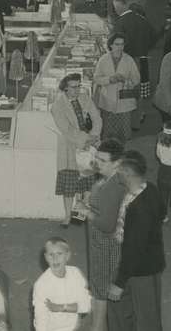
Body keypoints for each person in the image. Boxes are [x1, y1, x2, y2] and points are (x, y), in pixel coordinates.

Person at [107, 151, 166, 331]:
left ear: (127, 175)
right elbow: (163, 213)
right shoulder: (149, 188)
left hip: (139, 269)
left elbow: (134, 249)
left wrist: (119, 282)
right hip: (146, 263)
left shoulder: (139, 209)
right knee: (126, 310)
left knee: (146, 318)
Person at [74, 139, 126, 331]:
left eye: (103, 160)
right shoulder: (109, 178)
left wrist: (86, 211)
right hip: (100, 243)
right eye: (96, 158)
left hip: (106, 245)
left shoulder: (114, 186)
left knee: (100, 293)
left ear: (117, 163)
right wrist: (90, 200)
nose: (97, 163)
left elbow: (107, 224)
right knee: (98, 289)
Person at [51, 73, 102, 227]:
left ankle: (81, 212)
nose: (77, 89)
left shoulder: (85, 98)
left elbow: (97, 117)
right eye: (74, 87)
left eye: (79, 86)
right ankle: (67, 216)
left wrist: (94, 136)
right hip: (69, 148)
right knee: (69, 182)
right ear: (65, 88)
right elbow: (66, 129)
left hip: (89, 145)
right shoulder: (57, 106)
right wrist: (85, 139)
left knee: (87, 181)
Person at [32, 237, 92, 331]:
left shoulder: (76, 273)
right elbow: (41, 319)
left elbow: (87, 306)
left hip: (76, 326)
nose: (55, 259)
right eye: (51, 254)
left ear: (67, 256)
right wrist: (74, 307)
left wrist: (60, 307)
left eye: (59, 254)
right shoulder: (41, 285)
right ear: (46, 257)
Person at [92, 33, 140, 145]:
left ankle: (123, 154)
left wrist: (125, 80)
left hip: (125, 101)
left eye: (122, 44)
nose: (120, 47)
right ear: (111, 45)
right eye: (117, 44)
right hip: (107, 100)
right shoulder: (103, 60)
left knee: (124, 134)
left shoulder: (129, 60)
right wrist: (110, 79)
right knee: (108, 134)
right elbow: (96, 78)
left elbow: (136, 79)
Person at [111, 0, 155, 113]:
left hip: (128, 60)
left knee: (129, 88)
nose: (115, 10)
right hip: (143, 59)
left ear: (121, 6)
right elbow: (153, 36)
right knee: (141, 87)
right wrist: (144, 49)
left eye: (116, 7)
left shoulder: (120, 23)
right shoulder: (142, 20)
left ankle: (130, 115)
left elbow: (116, 45)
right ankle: (140, 114)